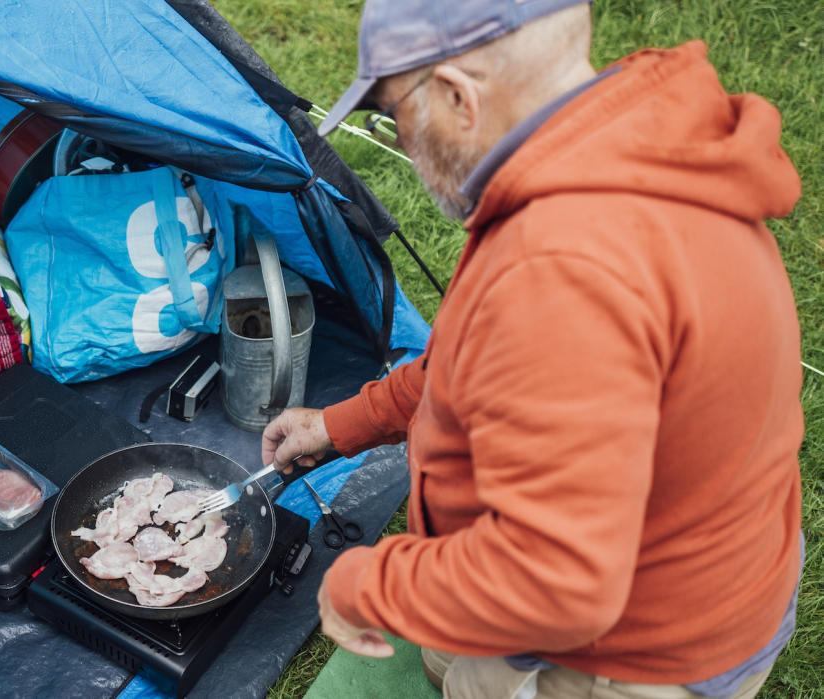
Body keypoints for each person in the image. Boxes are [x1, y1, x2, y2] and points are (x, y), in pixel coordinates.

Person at [261, 1, 804, 697]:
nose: (399, 136)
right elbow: (479, 356)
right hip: (722, 551)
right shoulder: (628, 141)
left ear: (458, 95)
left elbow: (558, 580)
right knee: (448, 661)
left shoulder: (561, 271)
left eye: (395, 112)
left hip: (638, 651)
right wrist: (341, 426)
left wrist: (366, 582)